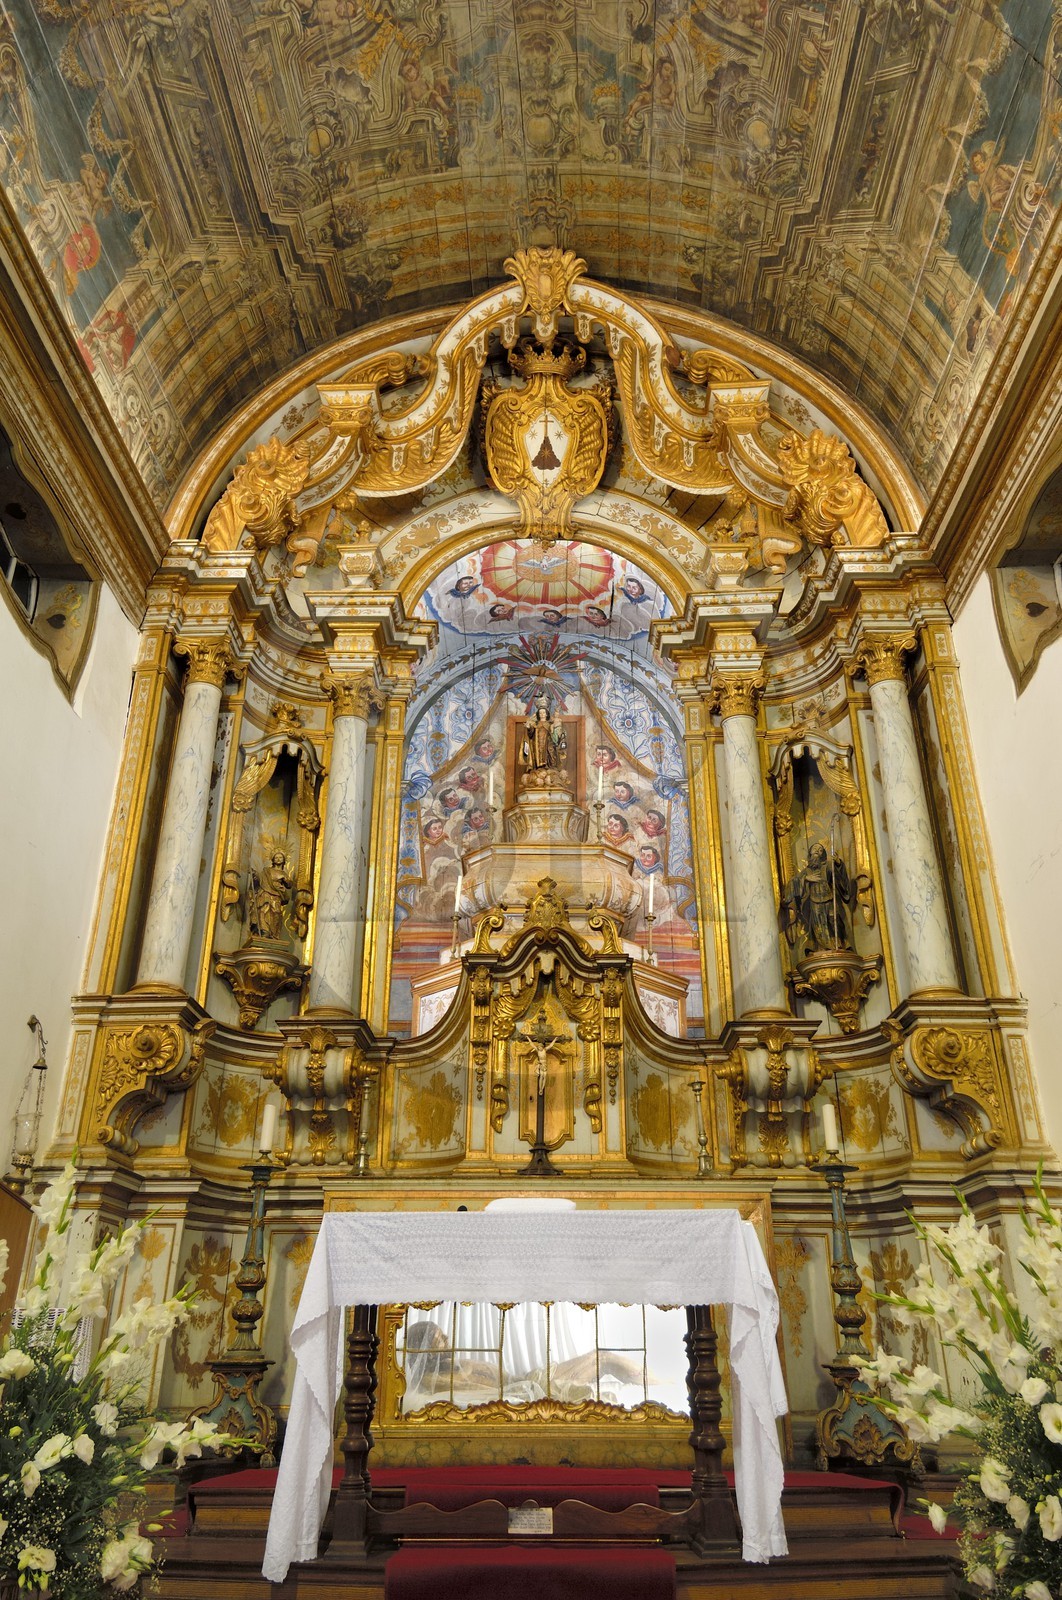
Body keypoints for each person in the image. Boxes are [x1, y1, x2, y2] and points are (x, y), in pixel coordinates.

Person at [782, 842, 854, 953]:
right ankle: (820, 947)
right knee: (818, 925)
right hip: (815, 902)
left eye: (820, 850)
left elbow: (838, 878)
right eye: (815, 848)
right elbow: (792, 883)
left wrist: (838, 864)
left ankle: (840, 943)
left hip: (829, 899)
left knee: (834, 921)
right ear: (810, 853)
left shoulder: (827, 867)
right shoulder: (806, 871)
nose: (817, 850)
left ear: (823, 854)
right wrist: (806, 879)